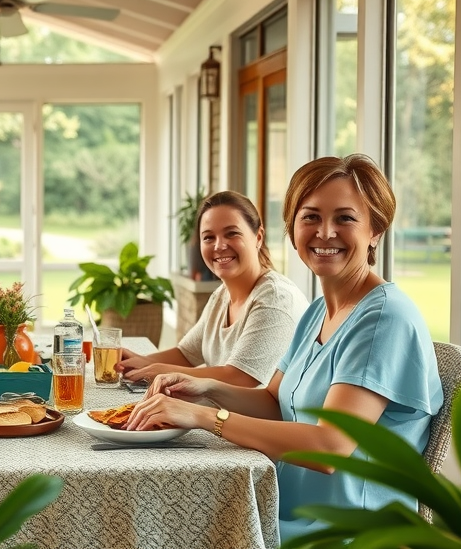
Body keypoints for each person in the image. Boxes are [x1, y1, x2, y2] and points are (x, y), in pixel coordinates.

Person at [125, 154, 443, 541]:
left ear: (375, 230)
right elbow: (274, 401)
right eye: (310, 217)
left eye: (345, 218)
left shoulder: (383, 318)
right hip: (279, 508)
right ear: (292, 230)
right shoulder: (317, 313)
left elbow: (331, 445)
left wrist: (206, 417)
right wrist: (206, 389)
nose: (325, 232)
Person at [116, 191, 309, 387]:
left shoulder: (275, 299)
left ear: (258, 237)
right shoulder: (221, 295)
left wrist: (162, 372)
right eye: (208, 237)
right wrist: (137, 361)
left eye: (231, 233)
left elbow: (240, 378)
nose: (219, 246)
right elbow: (186, 354)